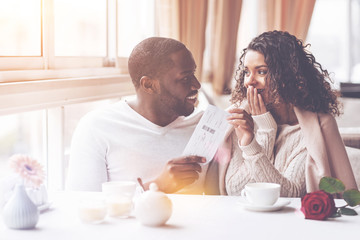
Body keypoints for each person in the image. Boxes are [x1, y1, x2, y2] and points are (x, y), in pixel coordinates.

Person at [213, 30, 357, 197]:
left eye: (261, 71)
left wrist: (260, 135)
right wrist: (260, 134)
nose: (249, 81)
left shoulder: (316, 127)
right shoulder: (240, 121)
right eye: (246, 72)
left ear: (286, 76)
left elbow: (291, 195)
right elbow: (235, 190)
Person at [67, 37, 209, 194]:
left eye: (194, 73)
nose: (197, 84)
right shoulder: (96, 127)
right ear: (149, 85)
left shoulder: (205, 126)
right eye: (185, 78)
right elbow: (83, 204)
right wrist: (157, 187)